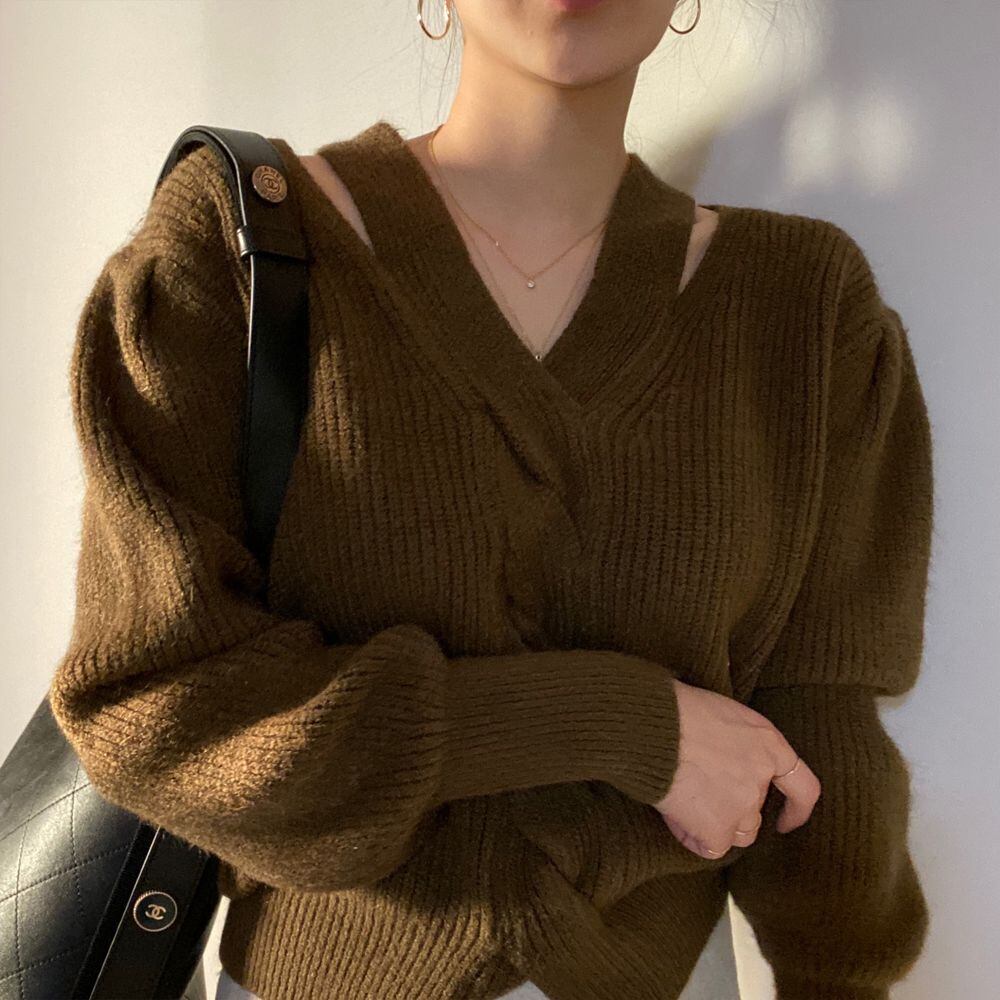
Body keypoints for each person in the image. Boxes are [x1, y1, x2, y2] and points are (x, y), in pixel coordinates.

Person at [48, 1, 934, 998]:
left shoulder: (803, 309)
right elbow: (154, 705)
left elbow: (823, 734)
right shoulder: (239, 248)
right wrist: (620, 724)